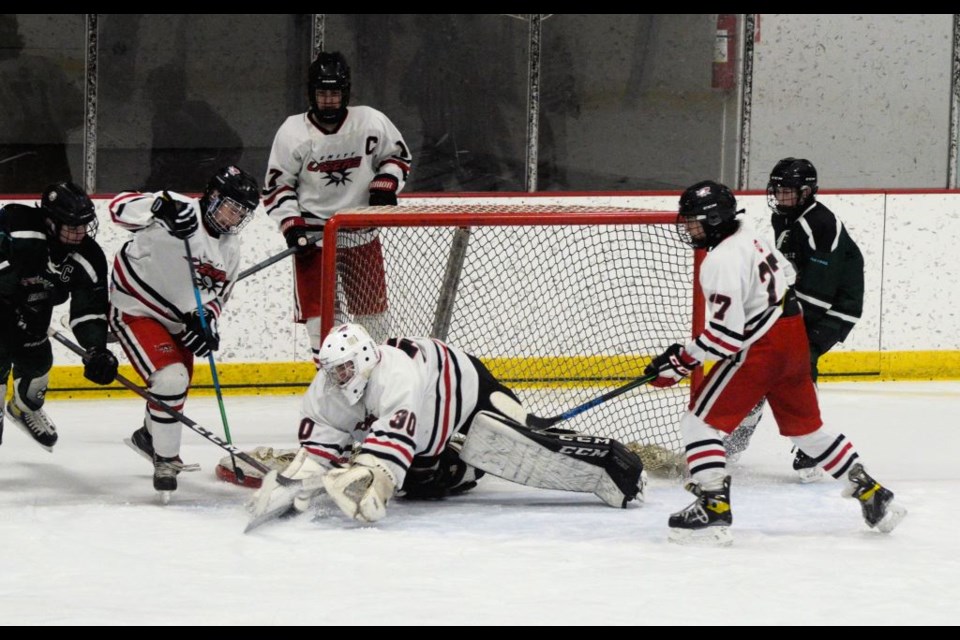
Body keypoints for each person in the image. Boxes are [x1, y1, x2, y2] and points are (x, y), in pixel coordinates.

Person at [644, 180, 904, 546]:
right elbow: (789, 276)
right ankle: (870, 491)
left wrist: (681, 361)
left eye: (695, 221)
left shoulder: (719, 260)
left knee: (699, 423)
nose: (688, 228)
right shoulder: (749, 233)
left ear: (716, 220)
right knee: (806, 431)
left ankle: (712, 507)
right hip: (793, 339)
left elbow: (727, 336)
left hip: (762, 350)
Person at [245, 323, 646, 527]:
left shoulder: (395, 377)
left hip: (463, 386)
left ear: (366, 357)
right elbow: (317, 448)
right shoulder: (329, 386)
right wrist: (289, 485)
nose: (339, 377)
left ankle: (615, 466)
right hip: (427, 414)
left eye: (346, 367)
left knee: (528, 437)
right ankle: (464, 463)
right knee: (422, 485)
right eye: (333, 370)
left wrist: (371, 478)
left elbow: (386, 459)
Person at [107, 165, 260, 495]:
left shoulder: (230, 248)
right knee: (171, 379)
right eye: (231, 207)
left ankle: (149, 435)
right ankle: (165, 458)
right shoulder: (178, 205)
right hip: (136, 309)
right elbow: (118, 208)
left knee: (173, 389)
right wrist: (157, 208)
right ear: (213, 196)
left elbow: (218, 298)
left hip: (177, 323)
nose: (234, 218)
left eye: (241, 213)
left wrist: (206, 327)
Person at [262, 51, 413, 362]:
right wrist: (292, 226)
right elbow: (278, 186)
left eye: (334, 93)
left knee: (373, 320)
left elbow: (397, 156)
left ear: (345, 93)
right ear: (311, 94)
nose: (328, 101)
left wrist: (385, 183)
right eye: (322, 93)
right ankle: (332, 390)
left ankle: (379, 385)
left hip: (360, 231)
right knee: (321, 325)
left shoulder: (370, 121)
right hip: (313, 240)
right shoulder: (293, 132)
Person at [724, 158, 865, 482]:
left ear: (807, 192)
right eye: (777, 191)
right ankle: (737, 441)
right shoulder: (784, 216)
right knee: (763, 363)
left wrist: (784, 326)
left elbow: (819, 292)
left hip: (834, 307)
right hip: (799, 300)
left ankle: (811, 446)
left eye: (787, 192)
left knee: (800, 360)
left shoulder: (820, 225)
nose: (780, 198)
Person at [1, 182, 118, 450]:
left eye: (84, 226)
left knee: (38, 370)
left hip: (32, 323)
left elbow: (88, 309)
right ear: (51, 222)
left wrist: (96, 348)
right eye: (73, 227)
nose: (81, 233)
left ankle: (23, 409)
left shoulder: (88, 257)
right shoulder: (18, 229)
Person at [0, 15, 84, 192]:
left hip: (12, 164)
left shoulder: (46, 67)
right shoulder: (46, 66)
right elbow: (78, 112)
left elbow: (78, 110)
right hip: (52, 161)